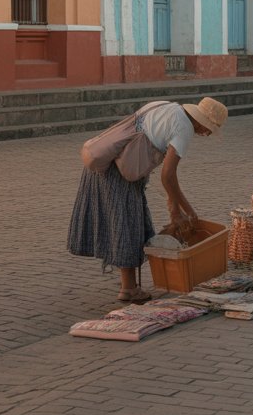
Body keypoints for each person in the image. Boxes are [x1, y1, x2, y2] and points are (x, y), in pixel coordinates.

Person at [67, 96, 228, 302]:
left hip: (106, 163)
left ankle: (130, 286)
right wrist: (186, 210)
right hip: (117, 174)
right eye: (208, 130)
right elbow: (167, 176)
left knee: (127, 224)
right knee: (127, 227)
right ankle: (128, 289)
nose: (205, 134)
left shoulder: (166, 106)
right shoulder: (184, 128)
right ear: (200, 122)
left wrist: (176, 206)